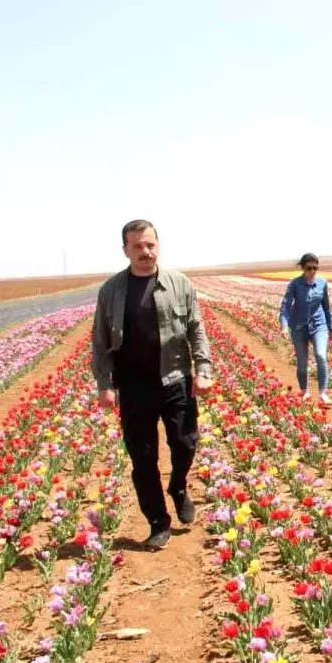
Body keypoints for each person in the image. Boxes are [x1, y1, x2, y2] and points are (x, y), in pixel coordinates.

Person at [90, 220, 213, 549]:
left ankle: (179, 487)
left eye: (150, 245)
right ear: (125, 250)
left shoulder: (179, 283)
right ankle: (158, 521)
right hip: (133, 387)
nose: (145, 252)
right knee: (143, 457)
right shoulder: (112, 291)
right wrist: (105, 384)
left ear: (157, 245)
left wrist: (203, 368)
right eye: (137, 247)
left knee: (185, 443)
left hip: (175, 379)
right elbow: (100, 342)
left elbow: (196, 328)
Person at [279, 253, 332, 404]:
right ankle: (304, 391)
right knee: (302, 361)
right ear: (302, 268)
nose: (312, 271)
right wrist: (284, 325)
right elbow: (285, 306)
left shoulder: (322, 283)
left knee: (321, 355)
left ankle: (323, 392)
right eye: (309, 268)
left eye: (315, 268)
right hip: (299, 326)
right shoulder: (294, 284)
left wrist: (331, 328)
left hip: (319, 324)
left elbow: (327, 307)